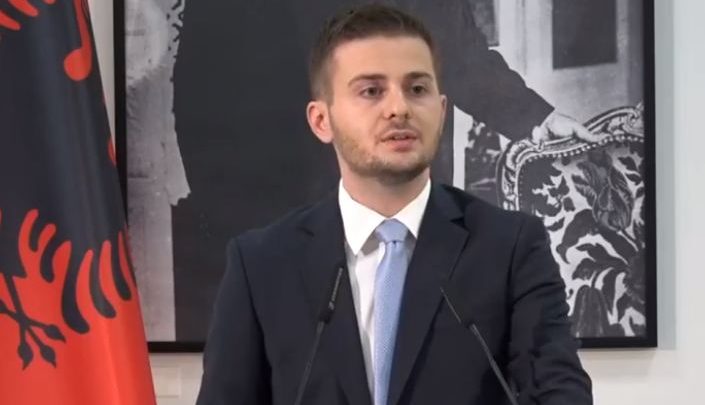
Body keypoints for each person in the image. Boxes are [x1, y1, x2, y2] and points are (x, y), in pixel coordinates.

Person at [196, 4, 592, 405]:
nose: (399, 108)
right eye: (371, 91)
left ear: (441, 111)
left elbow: (560, 393)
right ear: (321, 121)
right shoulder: (260, 264)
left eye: (417, 89)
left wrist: (534, 114)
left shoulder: (511, 248)